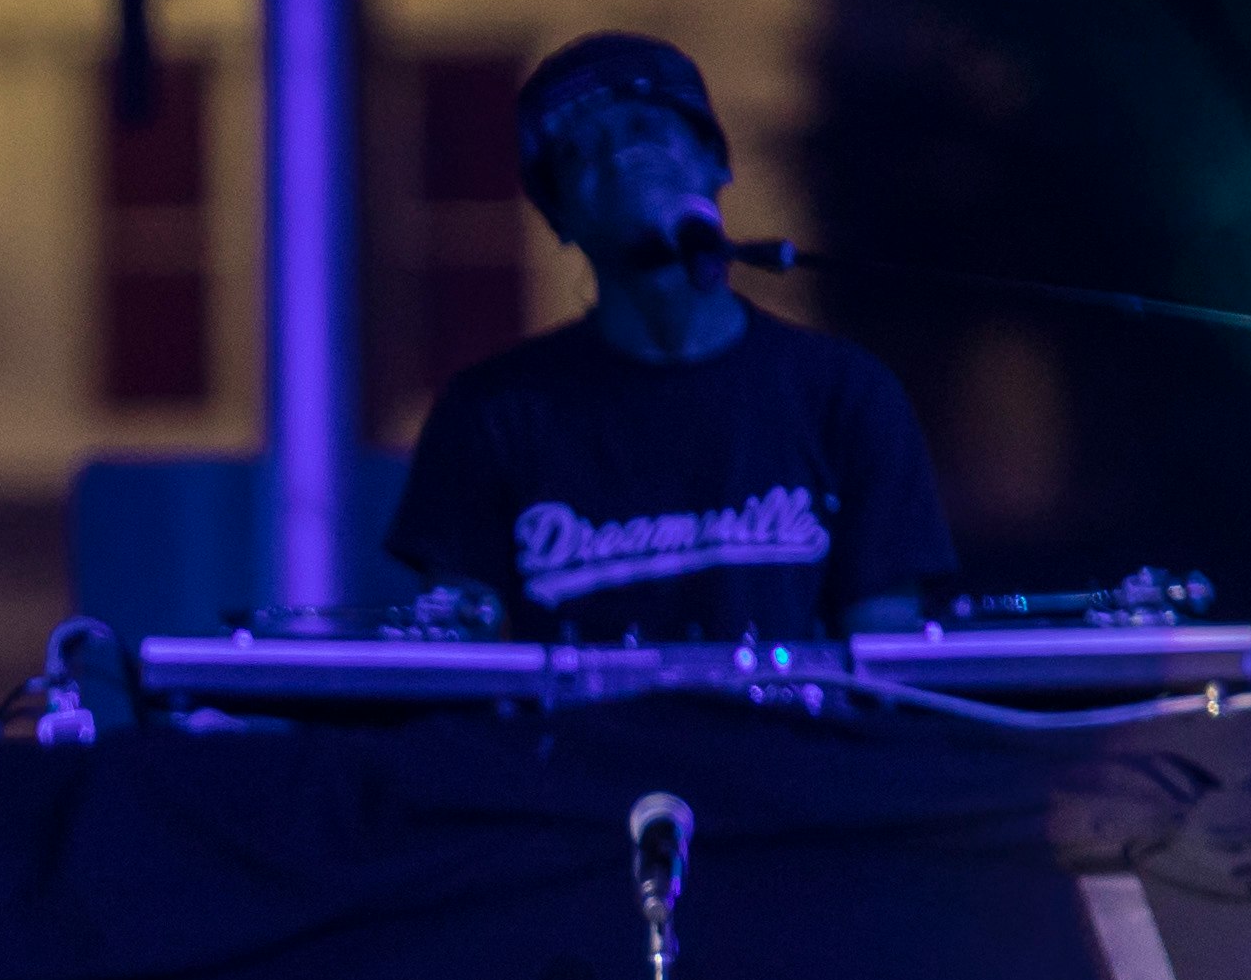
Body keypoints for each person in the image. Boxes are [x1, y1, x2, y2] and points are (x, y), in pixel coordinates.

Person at [383, 33, 951, 644]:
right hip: (576, 744)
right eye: (581, 150)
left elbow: (890, 670)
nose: (621, 155)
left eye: (646, 128)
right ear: (559, 219)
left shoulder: (845, 395)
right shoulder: (490, 414)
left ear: (716, 161)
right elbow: (458, 664)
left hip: (789, 740)